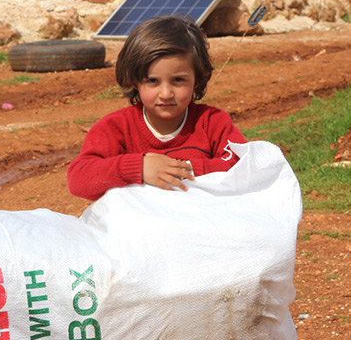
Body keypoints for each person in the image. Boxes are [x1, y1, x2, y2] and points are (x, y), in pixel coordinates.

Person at [66, 15, 246, 201]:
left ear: (197, 78)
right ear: (134, 81)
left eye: (178, 80)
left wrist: (187, 170)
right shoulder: (115, 128)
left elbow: (244, 165)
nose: (166, 93)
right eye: (153, 81)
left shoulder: (212, 122)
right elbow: (79, 179)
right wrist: (139, 167)